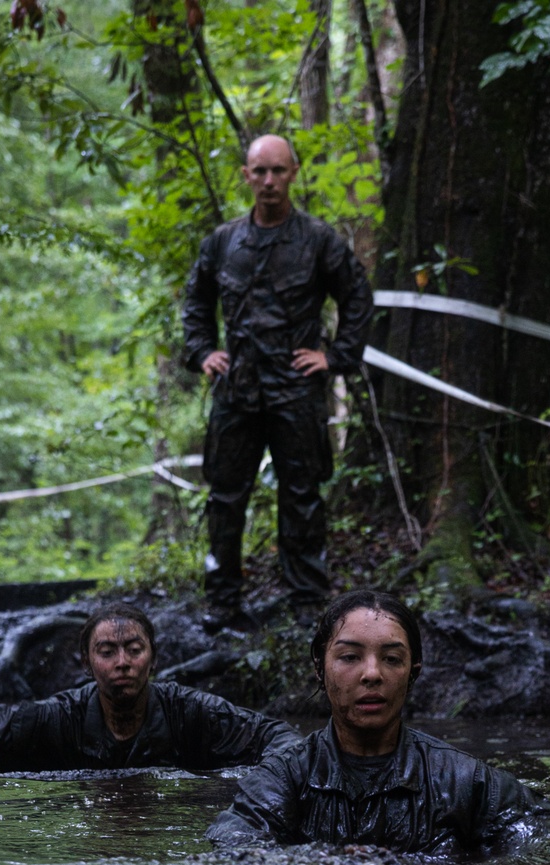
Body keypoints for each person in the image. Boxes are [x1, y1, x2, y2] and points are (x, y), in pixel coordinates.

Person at [182, 134, 374, 630]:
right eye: (260, 171)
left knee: (302, 495)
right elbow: (196, 303)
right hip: (237, 392)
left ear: (293, 174)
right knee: (225, 498)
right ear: (245, 175)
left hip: (295, 391)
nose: (269, 181)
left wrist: (335, 357)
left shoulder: (317, 240)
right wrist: (203, 352)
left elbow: (357, 296)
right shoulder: (223, 243)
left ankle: (308, 603)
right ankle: (222, 603)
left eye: (279, 171)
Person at [208, 590, 547, 853]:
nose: (372, 674)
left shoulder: (461, 781)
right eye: (350, 657)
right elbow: (232, 843)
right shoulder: (286, 777)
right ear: (319, 670)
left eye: (391, 659)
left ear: (412, 674)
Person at [0, 603, 298, 776]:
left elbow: (279, 735)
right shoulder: (56, 716)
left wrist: (270, 776)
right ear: (86, 663)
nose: (122, 662)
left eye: (134, 650)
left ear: (153, 658)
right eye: (107, 652)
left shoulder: (189, 711)